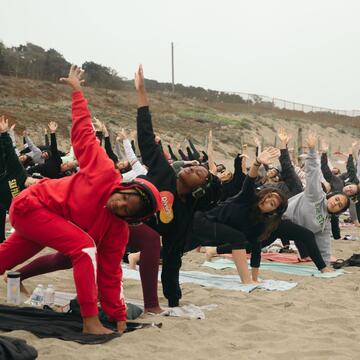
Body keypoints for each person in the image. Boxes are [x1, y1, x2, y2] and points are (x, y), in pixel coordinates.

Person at [0, 65, 162, 335]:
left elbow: (111, 275)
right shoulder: (104, 172)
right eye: (124, 198)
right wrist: (77, 93)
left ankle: (98, 318)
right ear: (127, 186)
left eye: (125, 211)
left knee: (4, 259)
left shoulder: (116, 232)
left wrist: (118, 315)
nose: (118, 205)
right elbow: (84, 135)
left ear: (130, 220)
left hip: (43, 224)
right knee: (85, 246)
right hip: (32, 205)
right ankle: (90, 320)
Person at [135, 64, 221, 307]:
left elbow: (172, 260)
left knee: (153, 240)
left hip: (134, 235)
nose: (192, 167)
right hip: (115, 207)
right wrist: (142, 94)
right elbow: (146, 138)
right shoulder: (163, 171)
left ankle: (154, 303)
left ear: (199, 190)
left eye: (199, 173)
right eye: (195, 166)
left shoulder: (182, 218)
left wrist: (174, 301)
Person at [192, 147, 288, 283]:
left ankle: (248, 280)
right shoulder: (248, 197)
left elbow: (256, 251)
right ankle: (245, 281)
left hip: (209, 236)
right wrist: (257, 163)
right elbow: (249, 179)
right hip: (203, 220)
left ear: (273, 212)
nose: (267, 200)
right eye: (269, 196)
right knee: (238, 238)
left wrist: (255, 278)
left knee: (173, 251)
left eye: (272, 204)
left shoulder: (259, 224)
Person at [283, 133, 350, 265]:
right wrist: (312, 151)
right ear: (331, 196)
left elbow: (324, 243)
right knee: (250, 244)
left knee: (307, 235)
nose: (336, 203)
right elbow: (313, 172)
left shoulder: (326, 223)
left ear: (339, 211)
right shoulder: (316, 196)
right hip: (279, 219)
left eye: (340, 205)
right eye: (337, 199)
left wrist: (325, 264)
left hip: (295, 232)